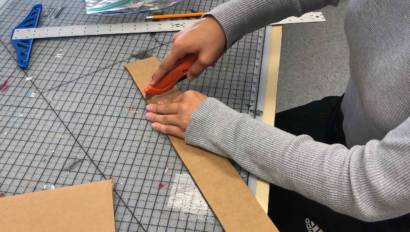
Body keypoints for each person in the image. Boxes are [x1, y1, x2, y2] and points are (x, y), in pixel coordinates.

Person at [145, 0, 410, 231]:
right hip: (349, 117)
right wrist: (225, 22)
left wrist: (219, 126)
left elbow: (367, 185)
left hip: (386, 205)